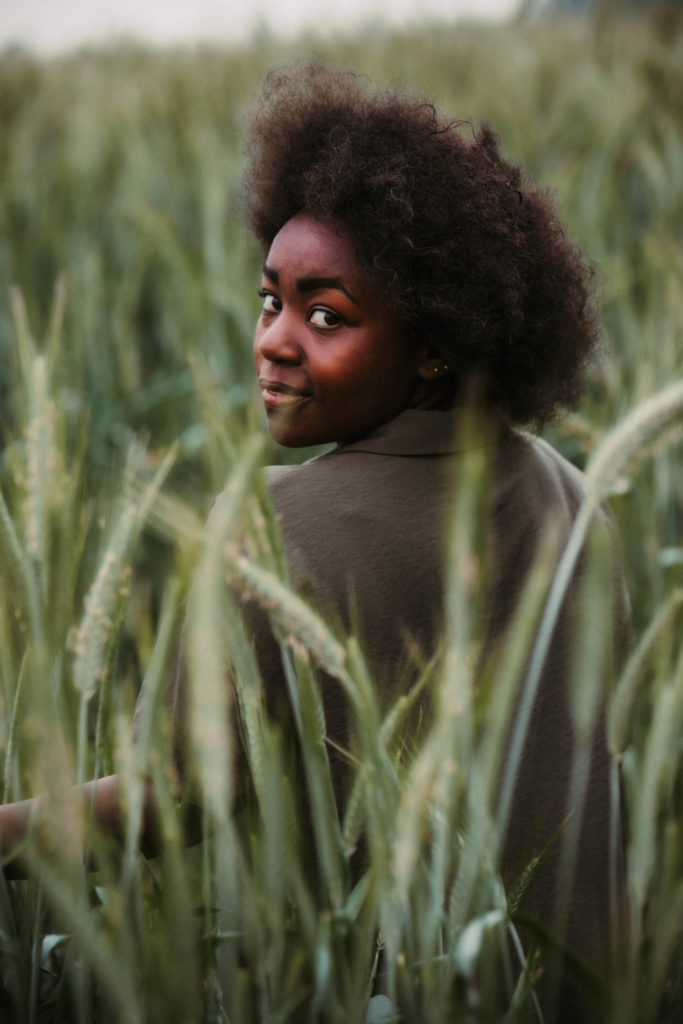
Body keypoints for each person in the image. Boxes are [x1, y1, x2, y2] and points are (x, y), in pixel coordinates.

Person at [1, 62, 628, 1021]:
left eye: (326, 316)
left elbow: (173, 800)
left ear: (433, 344)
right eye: (270, 302)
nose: (274, 342)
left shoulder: (276, 524)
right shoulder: (578, 496)